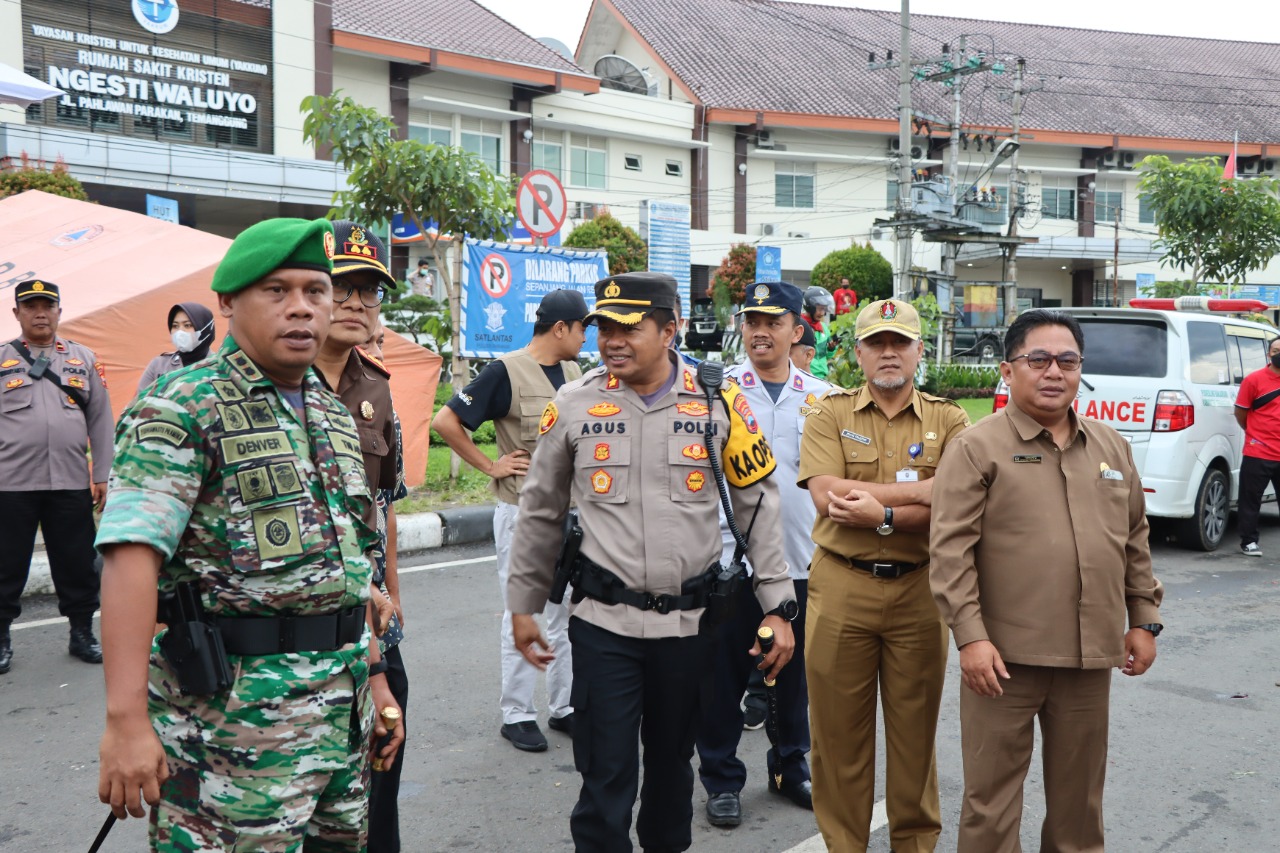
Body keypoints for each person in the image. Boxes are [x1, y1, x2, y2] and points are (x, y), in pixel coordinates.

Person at [95, 217, 404, 850]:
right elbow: (130, 559)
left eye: (316, 291)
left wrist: (375, 679)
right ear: (229, 303)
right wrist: (125, 721)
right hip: (232, 736)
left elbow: (352, 569)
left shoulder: (331, 413)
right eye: (276, 291)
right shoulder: (183, 404)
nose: (302, 309)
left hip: (338, 722)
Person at [507, 271, 797, 853]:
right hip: (604, 628)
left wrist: (779, 607)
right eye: (603, 327)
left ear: (670, 330)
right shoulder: (574, 403)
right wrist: (523, 608)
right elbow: (539, 511)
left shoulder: (719, 401)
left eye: (628, 327)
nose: (612, 339)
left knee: (670, 777)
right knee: (606, 778)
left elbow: (758, 507)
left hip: (690, 630)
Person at [929, 309, 1164, 853]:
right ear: (1009, 371)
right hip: (1002, 660)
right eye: (1038, 359)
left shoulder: (1111, 447)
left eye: (1067, 360)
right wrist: (971, 637)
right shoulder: (977, 447)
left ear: (1081, 369)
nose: (1053, 371)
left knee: (1080, 807)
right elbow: (949, 552)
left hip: (1088, 660)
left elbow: (1134, 539)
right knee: (990, 806)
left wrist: (1144, 620)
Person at [797, 298, 970, 852]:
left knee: (915, 739)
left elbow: (961, 501)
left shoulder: (950, 419)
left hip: (921, 589)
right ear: (859, 353)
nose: (889, 353)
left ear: (921, 350)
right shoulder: (830, 412)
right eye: (877, 343)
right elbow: (829, 498)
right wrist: (925, 491)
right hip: (842, 585)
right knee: (837, 738)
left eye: (900, 342)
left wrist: (885, 511)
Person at [696, 281, 831, 828]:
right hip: (731, 562)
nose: (759, 330)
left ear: (797, 330)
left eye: (773, 322)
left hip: (800, 559)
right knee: (723, 676)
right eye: (752, 321)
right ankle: (722, 779)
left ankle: (790, 767)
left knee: (793, 675)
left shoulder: (824, 397)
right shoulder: (717, 391)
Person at [432, 288, 589, 752]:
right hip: (524, 512)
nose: (587, 337)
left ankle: (563, 707)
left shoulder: (576, 373)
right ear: (560, 328)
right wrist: (490, 465)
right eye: (583, 328)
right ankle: (517, 713)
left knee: (567, 612)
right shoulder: (505, 370)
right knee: (523, 610)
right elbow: (446, 422)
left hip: (574, 513)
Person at [312, 221, 407, 852]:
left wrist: (395, 604)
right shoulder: (273, 383)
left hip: (372, 618)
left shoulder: (377, 386)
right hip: (305, 617)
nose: (355, 303)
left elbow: (385, 505)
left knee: (382, 775)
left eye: (368, 291)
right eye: (342, 286)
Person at [0, 279, 114, 675]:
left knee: (76, 561)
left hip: (69, 480)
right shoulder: (1, 359)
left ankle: (81, 633)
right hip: (10, 483)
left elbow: (101, 419)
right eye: (30, 306)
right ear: (17, 313)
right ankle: (1, 638)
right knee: (6, 563)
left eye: (47, 305)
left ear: (59, 310)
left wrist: (102, 472)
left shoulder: (82, 358)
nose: (40, 313)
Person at [1233, 335, 1280, 557]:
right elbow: (1241, 413)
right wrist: (1254, 433)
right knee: (1250, 499)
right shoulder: (1254, 380)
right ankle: (1249, 541)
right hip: (1258, 450)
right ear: (1268, 354)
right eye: (1276, 350)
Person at [135, 302, 216, 398]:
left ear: (205, 329)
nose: (179, 332)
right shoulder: (158, 365)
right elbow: (138, 405)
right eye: (175, 326)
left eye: (187, 325)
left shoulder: (219, 366)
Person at [801, 286, 835, 379]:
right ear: (810, 308)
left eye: (824, 309)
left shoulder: (823, 327)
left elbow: (826, 355)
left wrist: (831, 349)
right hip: (804, 376)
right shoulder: (799, 326)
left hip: (821, 376)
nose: (822, 313)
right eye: (819, 309)